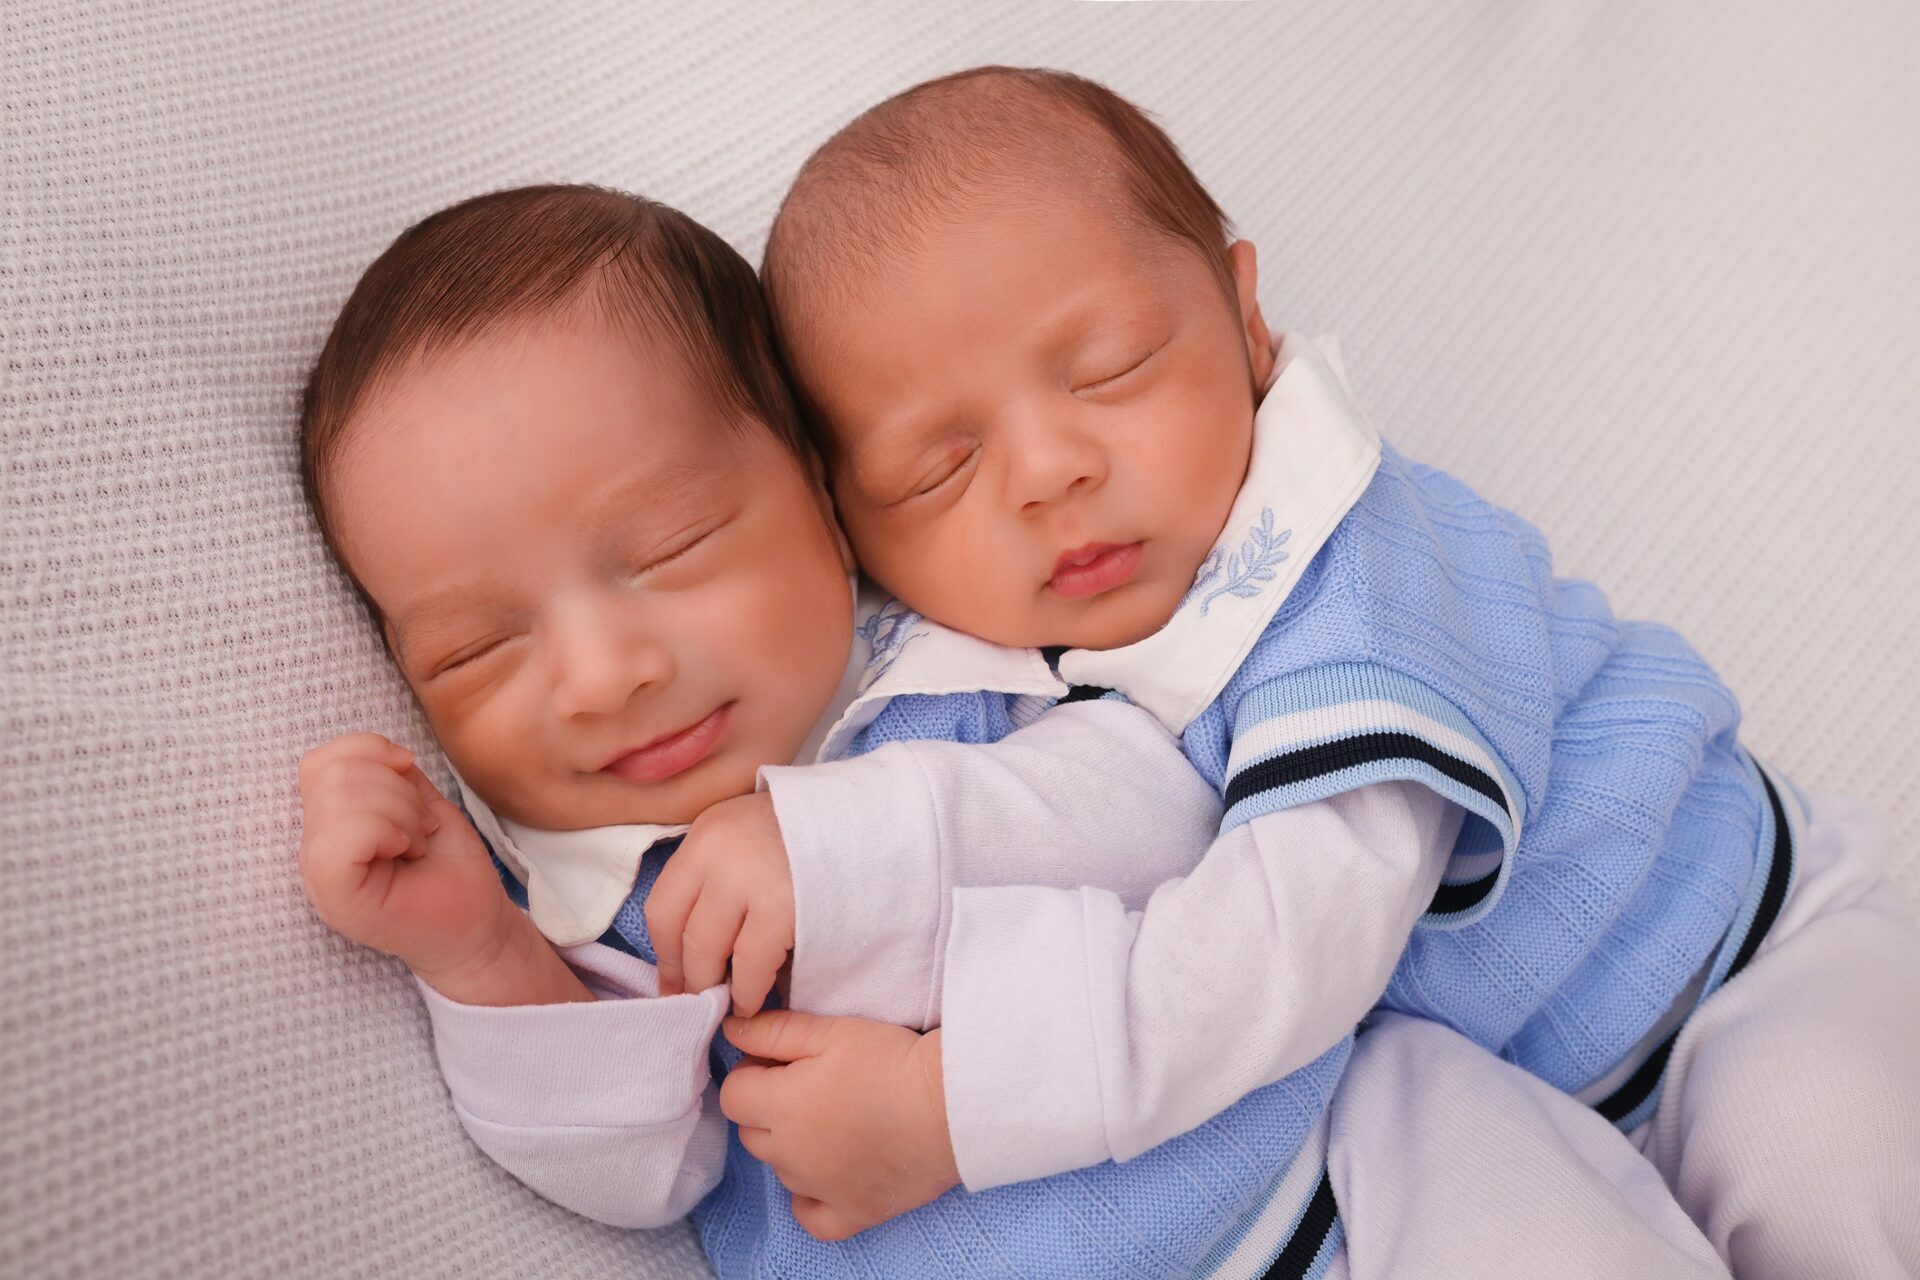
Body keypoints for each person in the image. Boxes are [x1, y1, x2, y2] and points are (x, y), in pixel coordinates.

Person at [294, 183, 1730, 1279]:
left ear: (824, 493)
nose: (600, 679)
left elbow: (1163, 810)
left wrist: (843, 844)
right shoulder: (588, 891)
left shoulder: (950, 664)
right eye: (476, 650)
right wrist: (476, 952)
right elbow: (636, 1171)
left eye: (669, 548)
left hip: (1338, 1151)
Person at [719, 66, 1920, 1279]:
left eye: (1112, 366)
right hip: (1490, 1103)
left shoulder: (1337, 557)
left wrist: (956, 1100)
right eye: (935, 466)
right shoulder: (956, 666)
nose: (1046, 470)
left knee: (1817, 1172)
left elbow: (1288, 939)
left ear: (1246, 320)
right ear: (845, 521)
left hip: (1741, 958)